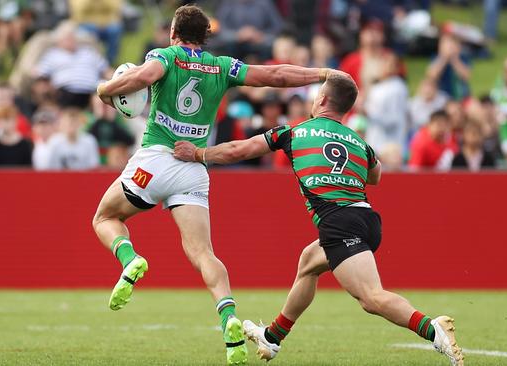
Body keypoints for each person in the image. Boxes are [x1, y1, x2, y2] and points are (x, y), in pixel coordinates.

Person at [94, 5, 338, 365]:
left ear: (174, 33)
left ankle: (129, 260)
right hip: (193, 165)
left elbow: (142, 78)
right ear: (206, 36)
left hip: (156, 158)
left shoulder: (167, 55)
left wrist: (105, 89)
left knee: (105, 218)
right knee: (203, 254)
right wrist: (320, 72)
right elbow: (276, 75)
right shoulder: (223, 66)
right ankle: (229, 321)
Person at [172, 73, 464, 366]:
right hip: (366, 219)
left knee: (371, 298)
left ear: (322, 99)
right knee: (309, 264)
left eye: (317, 94)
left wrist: (198, 152)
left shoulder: (293, 132)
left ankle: (433, 329)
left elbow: (239, 150)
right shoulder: (357, 140)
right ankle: (272, 338)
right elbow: (376, 176)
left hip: (339, 223)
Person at [35, 22, 112, 109]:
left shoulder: (88, 52)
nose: (71, 40)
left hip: (91, 92)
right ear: (59, 41)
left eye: (72, 37)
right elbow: (40, 73)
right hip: (63, 93)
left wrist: (116, 78)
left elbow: (106, 70)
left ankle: (103, 121)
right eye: (67, 38)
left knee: (102, 96)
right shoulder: (52, 54)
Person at [363, 54, 409, 155]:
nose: (385, 66)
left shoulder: (398, 88)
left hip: (390, 148)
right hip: (374, 144)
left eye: (391, 64)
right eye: (384, 63)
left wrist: (368, 113)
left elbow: (393, 120)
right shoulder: (376, 87)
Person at [70, 0, 124, 65]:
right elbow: (79, 10)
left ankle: (109, 61)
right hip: (85, 23)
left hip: (108, 23)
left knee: (114, 30)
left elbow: (115, 7)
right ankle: (93, 60)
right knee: (91, 30)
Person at [426, 33, 471, 101]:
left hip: (462, 95)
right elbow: (431, 76)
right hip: (442, 95)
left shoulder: (462, 58)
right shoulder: (436, 59)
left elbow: (466, 76)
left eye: (451, 46)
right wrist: (444, 58)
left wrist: (454, 59)